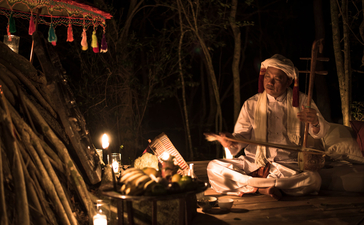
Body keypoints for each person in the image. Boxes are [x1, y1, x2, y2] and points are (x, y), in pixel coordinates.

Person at [207, 54, 330, 200]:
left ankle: (253, 186)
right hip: (254, 163)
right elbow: (242, 136)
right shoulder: (251, 104)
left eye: (277, 78)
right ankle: (264, 187)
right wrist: (232, 141)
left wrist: (315, 121)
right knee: (213, 167)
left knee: (313, 179)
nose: (270, 82)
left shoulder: (303, 101)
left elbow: (319, 133)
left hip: (288, 166)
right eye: (267, 76)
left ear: (289, 81)